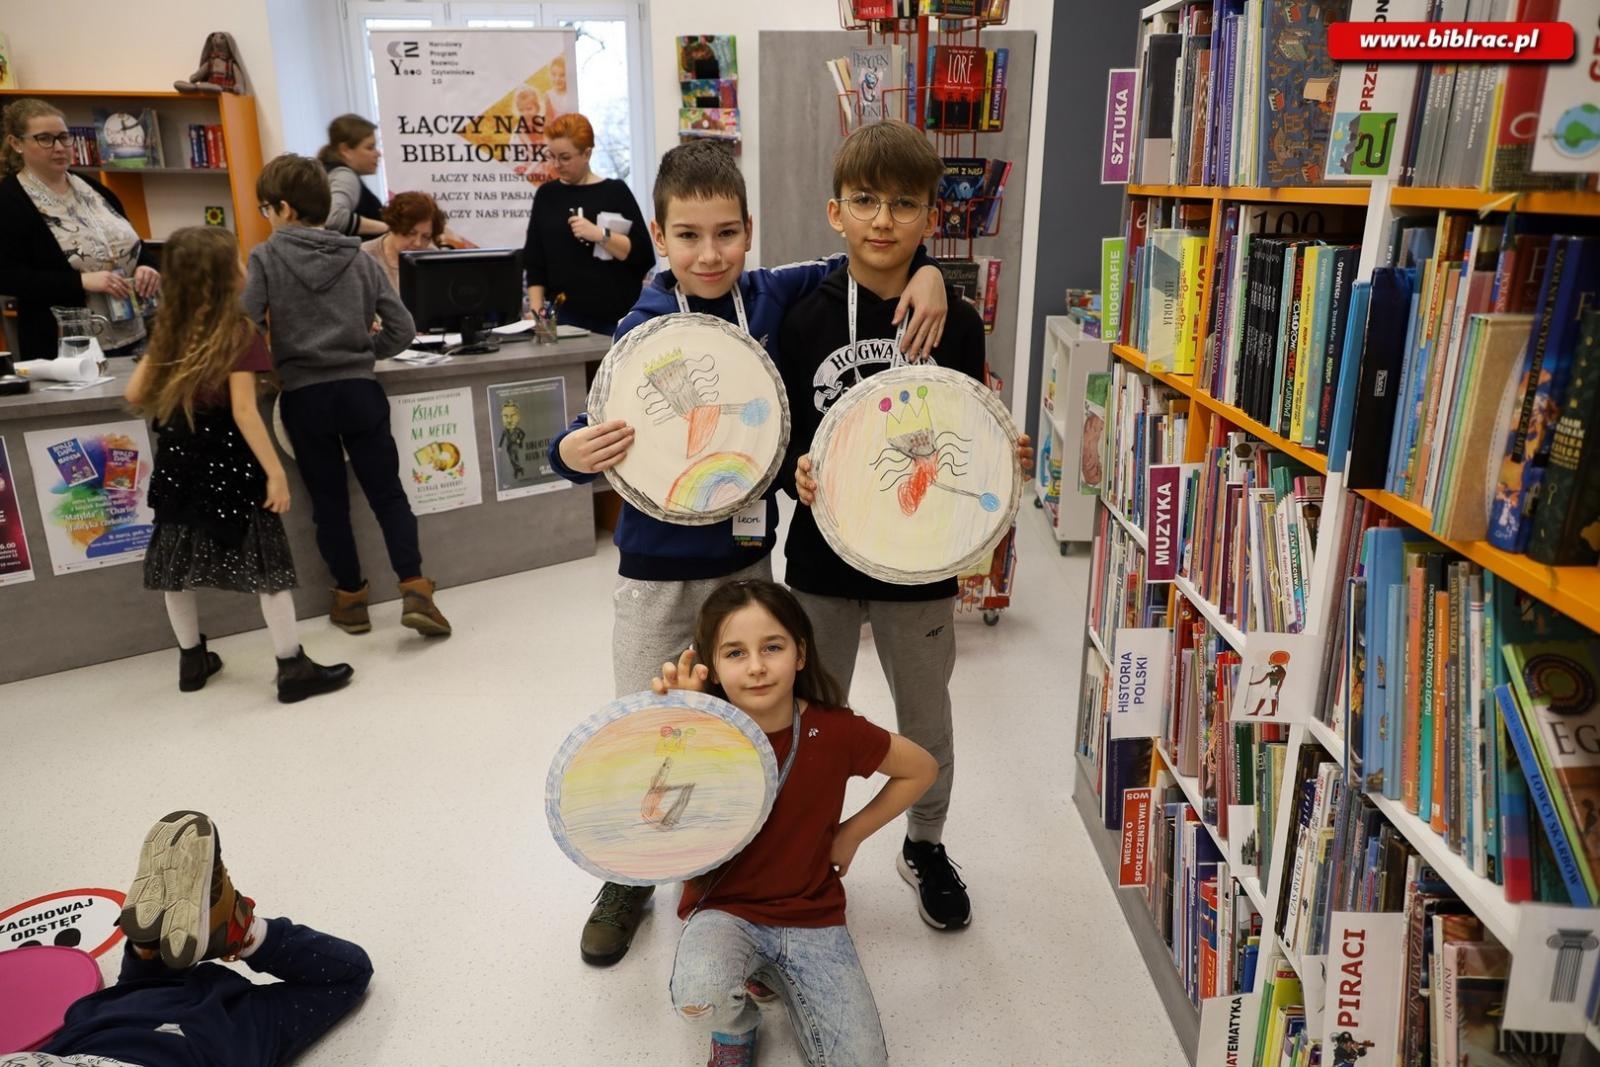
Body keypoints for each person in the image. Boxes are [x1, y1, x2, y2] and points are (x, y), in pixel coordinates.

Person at [546, 139, 951, 969]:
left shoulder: (767, 296)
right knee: (649, 720)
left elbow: (869, 253)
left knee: (745, 722)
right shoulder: (639, 329)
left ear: (749, 232)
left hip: (745, 569)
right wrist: (568, 452)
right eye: (688, 236)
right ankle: (630, 873)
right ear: (659, 235)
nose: (709, 253)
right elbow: (591, 429)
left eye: (726, 233)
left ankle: (741, 847)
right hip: (654, 571)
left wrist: (935, 268)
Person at [782, 121, 1033, 932]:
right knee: (812, 713)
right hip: (821, 558)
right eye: (864, 201)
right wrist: (797, 466)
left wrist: (1001, 452)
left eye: (902, 203)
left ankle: (924, 843)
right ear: (835, 211)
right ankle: (803, 842)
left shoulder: (952, 321)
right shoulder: (800, 310)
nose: (881, 219)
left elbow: (965, 428)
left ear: (931, 216)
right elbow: (786, 429)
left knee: (926, 716)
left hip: (920, 566)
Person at [653, 579, 937, 1067]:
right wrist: (685, 720)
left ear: (800, 654)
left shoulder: (838, 729)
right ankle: (737, 1029)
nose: (758, 666)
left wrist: (851, 833)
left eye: (773, 647)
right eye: (735, 653)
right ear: (714, 668)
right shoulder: (702, 732)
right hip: (725, 909)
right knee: (699, 999)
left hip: (812, 916)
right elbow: (654, 816)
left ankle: (766, 978)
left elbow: (921, 768)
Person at [125, 227, 351, 704]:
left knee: (176, 565)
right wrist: (273, 472)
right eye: (237, 261)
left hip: (180, 461)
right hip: (230, 461)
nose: (246, 268)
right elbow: (246, 412)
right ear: (222, 277)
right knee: (268, 567)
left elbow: (133, 394)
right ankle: (291, 665)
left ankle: (191, 658)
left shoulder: (168, 331)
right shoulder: (237, 332)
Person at [243, 153, 451, 639]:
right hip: (361, 391)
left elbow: (246, 327)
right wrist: (364, 353)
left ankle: (351, 601)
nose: (267, 218)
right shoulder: (358, 257)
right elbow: (402, 327)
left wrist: (274, 369)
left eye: (267, 209)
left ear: (285, 208)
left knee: (330, 504)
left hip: (305, 397)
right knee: (388, 495)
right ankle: (416, 589)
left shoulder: (267, 257)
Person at [1, 809, 372, 1067]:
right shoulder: (247, 1025)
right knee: (135, 995)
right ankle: (167, 946)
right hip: (116, 1031)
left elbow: (345, 973)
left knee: (137, 996)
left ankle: (175, 946)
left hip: (140, 1032)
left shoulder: (246, 1030)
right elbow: (348, 972)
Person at [0, 98, 161, 360]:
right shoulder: (9, 200)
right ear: (17, 143)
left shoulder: (93, 188)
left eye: (64, 137)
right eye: (44, 138)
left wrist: (147, 265)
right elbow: (8, 276)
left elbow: (132, 242)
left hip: (134, 332)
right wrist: (81, 282)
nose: (59, 147)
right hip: (65, 346)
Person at [521, 113, 653, 336]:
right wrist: (537, 314)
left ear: (587, 153)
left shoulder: (615, 192)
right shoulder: (547, 195)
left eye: (564, 158)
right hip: (564, 318)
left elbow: (643, 255)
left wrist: (601, 234)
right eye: (551, 156)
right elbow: (534, 261)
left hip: (616, 319)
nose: (556, 165)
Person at [362, 191, 448, 293]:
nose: (418, 243)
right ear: (394, 227)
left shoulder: (432, 257)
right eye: (411, 233)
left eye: (426, 237)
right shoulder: (364, 255)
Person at [318, 114, 386, 239]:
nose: (378, 153)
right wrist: (387, 228)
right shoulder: (344, 176)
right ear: (345, 150)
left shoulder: (328, 171)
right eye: (370, 147)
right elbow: (334, 218)